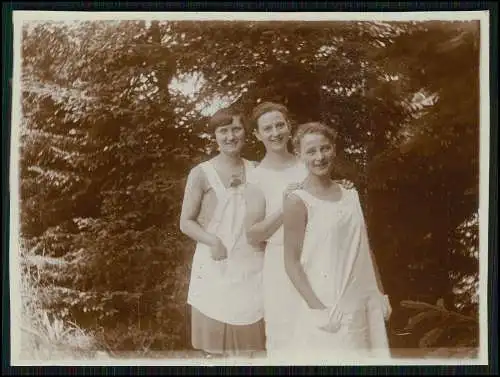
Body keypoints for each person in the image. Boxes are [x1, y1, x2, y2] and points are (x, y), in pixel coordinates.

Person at [244, 102, 353, 357]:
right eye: (267, 128)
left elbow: (327, 197)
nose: (275, 133)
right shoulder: (256, 178)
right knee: (287, 338)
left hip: (320, 259)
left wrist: (342, 187)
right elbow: (252, 235)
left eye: (279, 125)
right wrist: (286, 208)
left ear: (289, 126)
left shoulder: (308, 158)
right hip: (281, 266)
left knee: (325, 332)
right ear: (257, 135)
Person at [282, 122, 391, 360]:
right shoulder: (297, 201)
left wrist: (380, 293)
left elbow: (363, 247)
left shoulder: (351, 194)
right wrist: (316, 307)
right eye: (311, 151)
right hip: (328, 303)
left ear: (334, 149)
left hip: (363, 298)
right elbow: (291, 261)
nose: (320, 157)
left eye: (325, 148)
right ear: (300, 155)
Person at [179, 107, 265, 358]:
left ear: (246, 133)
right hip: (215, 264)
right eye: (223, 131)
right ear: (214, 136)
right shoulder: (201, 173)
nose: (230, 136)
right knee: (215, 349)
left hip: (251, 264)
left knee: (250, 349)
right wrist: (211, 240)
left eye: (236, 129)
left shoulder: (258, 170)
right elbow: (185, 222)